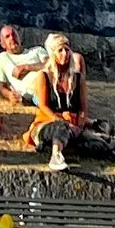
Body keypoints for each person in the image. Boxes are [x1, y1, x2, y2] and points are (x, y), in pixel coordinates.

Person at [23, 29, 88, 167]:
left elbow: (82, 108)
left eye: (67, 49)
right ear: (53, 54)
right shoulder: (44, 76)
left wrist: (79, 124)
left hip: (71, 125)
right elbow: (43, 106)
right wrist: (63, 122)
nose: (65, 53)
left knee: (96, 142)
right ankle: (55, 156)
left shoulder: (77, 78)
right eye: (60, 50)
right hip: (46, 125)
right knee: (61, 128)